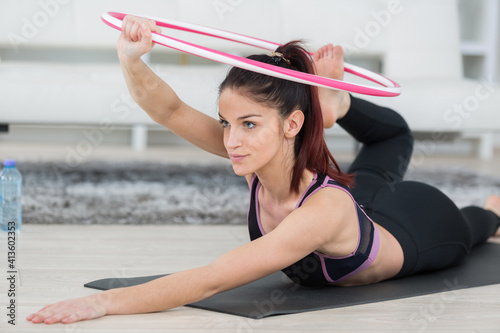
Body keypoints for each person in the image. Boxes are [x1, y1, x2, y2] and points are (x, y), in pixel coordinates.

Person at [27, 15, 500, 325]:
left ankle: (489, 207)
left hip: (421, 223)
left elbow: (214, 278)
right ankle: (328, 102)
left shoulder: (322, 210)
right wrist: (130, 58)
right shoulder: (255, 156)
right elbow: (170, 111)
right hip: (360, 203)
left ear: (291, 124)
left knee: (477, 222)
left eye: (249, 124)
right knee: (378, 161)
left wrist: (103, 303)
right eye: (226, 123)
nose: (232, 140)